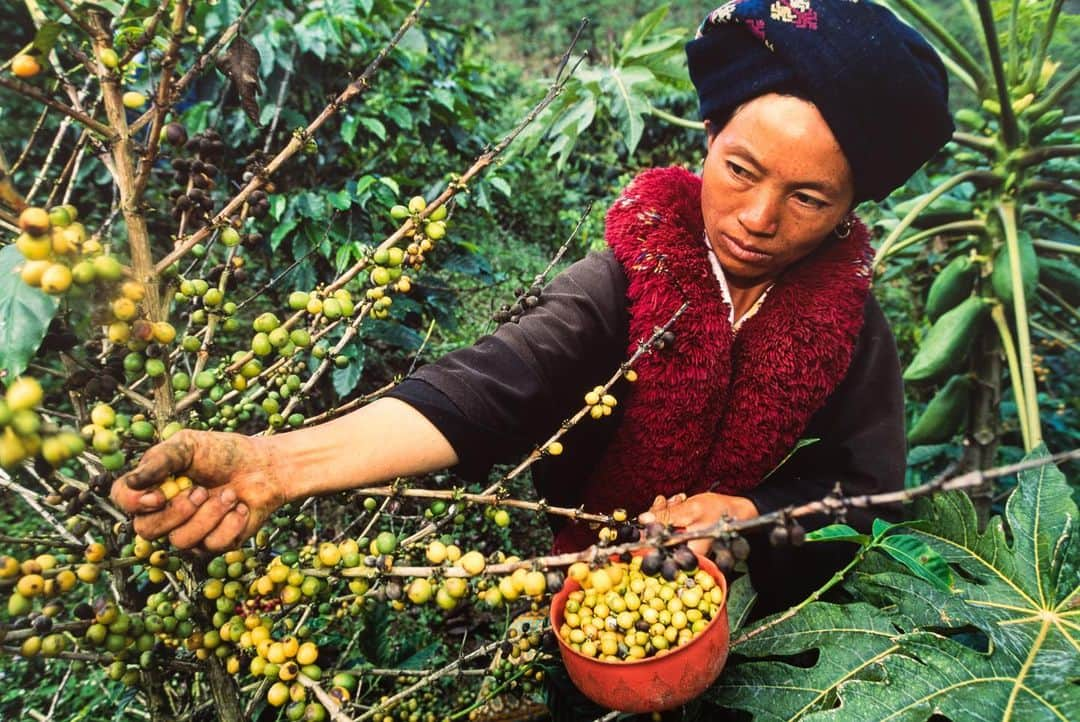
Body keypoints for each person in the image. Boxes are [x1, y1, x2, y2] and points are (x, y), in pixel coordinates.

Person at [111, 0, 954, 614]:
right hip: (588, 592)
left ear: (852, 207)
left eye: (808, 198)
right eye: (740, 170)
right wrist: (278, 464)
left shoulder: (850, 323)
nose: (759, 218)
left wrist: (748, 516)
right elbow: (491, 385)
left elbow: (866, 486)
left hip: (770, 627)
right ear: (709, 138)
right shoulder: (630, 276)